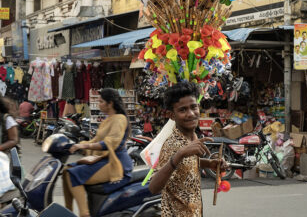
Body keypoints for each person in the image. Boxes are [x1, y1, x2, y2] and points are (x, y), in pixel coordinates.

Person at [149, 82, 227, 216]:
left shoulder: (192, 135)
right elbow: (153, 187)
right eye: (182, 110)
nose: (190, 114)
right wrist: (179, 154)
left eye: (193, 107)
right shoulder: (172, 144)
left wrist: (209, 163)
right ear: (171, 115)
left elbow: (186, 163)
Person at [62, 88, 133, 217]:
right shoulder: (109, 118)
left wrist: (85, 145)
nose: (98, 104)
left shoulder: (119, 119)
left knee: (73, 174)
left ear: (110, 103)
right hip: (104, 160)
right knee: (66, 170)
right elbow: (96, 140)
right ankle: (68, 211)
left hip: (116, 163)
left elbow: (110, 143)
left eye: (100, 101)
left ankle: (84, 214)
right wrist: (74, 145)